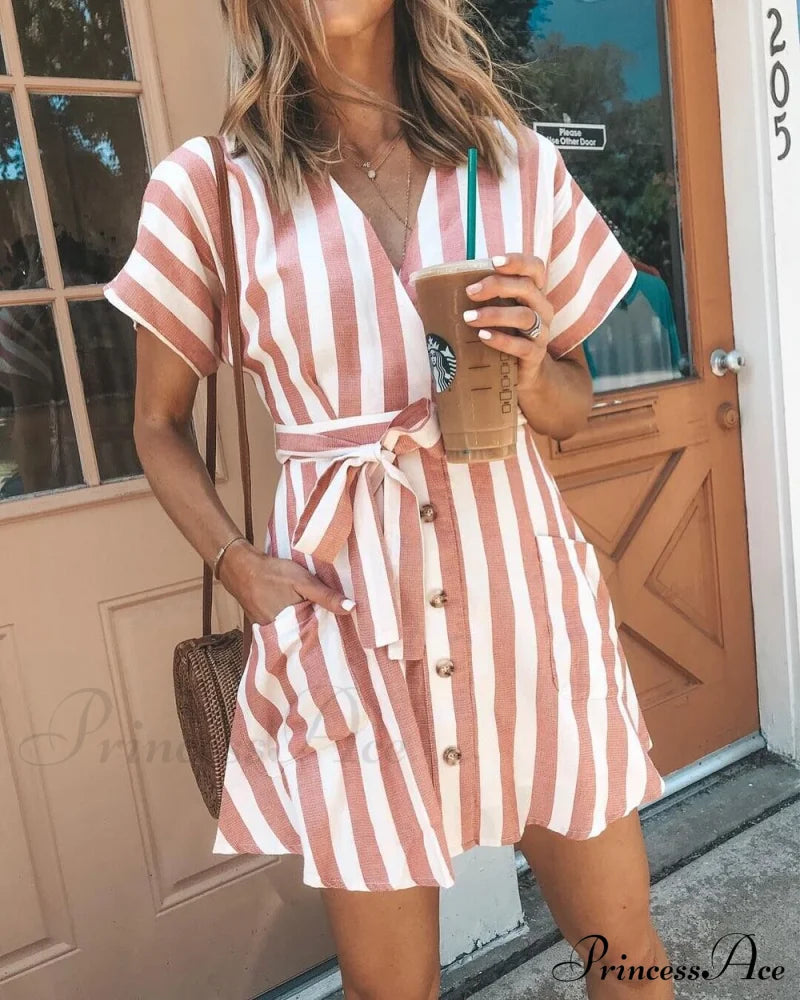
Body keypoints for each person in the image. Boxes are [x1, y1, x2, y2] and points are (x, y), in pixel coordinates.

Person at [103, 2, 671, 997]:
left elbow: (573, 407)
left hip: (526, 614)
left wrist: (532, 365)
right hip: (346, 627)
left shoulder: (513, 166)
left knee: (626, 956)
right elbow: (157, 422)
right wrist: (238, 564)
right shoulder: (209, 190)